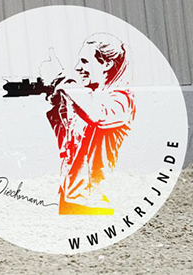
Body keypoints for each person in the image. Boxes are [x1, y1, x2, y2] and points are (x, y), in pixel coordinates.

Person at [44, 34, 136, 214]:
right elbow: (66, 145)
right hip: (72, 199)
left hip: (100, 203)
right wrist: (57, 107)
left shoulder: (122, 99)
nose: (78, 68)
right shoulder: (86, 98)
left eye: (85, 62)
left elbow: (98, 116)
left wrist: (69, 88)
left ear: (107, 64)